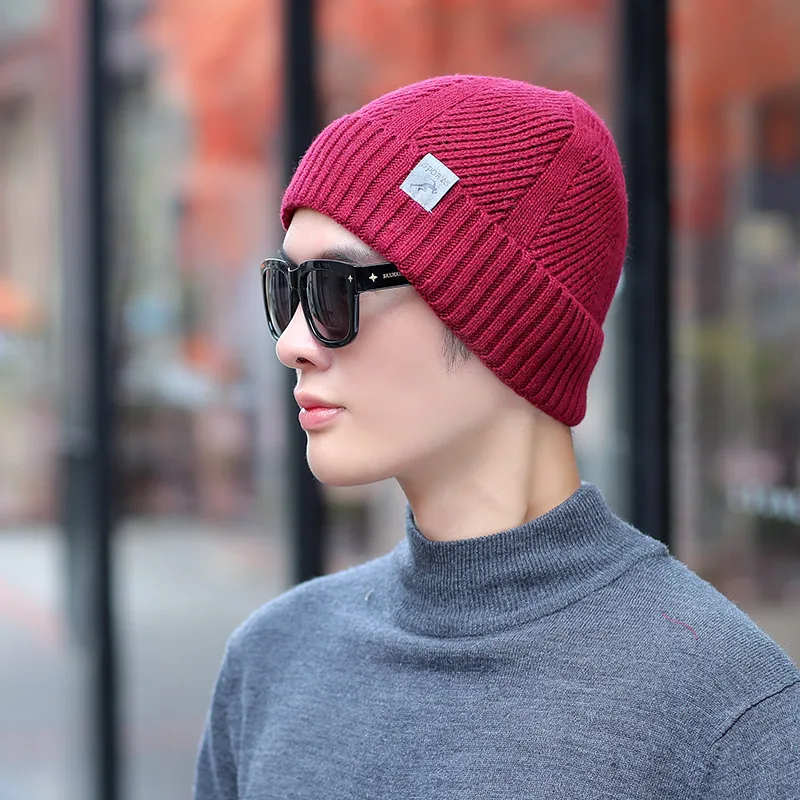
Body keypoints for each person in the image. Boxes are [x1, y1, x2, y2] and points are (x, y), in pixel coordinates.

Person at [194, 75, 800, 799]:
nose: (292, 343)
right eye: (287, 289)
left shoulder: (727, 713)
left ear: (501, 316)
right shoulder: (272, 662)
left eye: (332, 288)